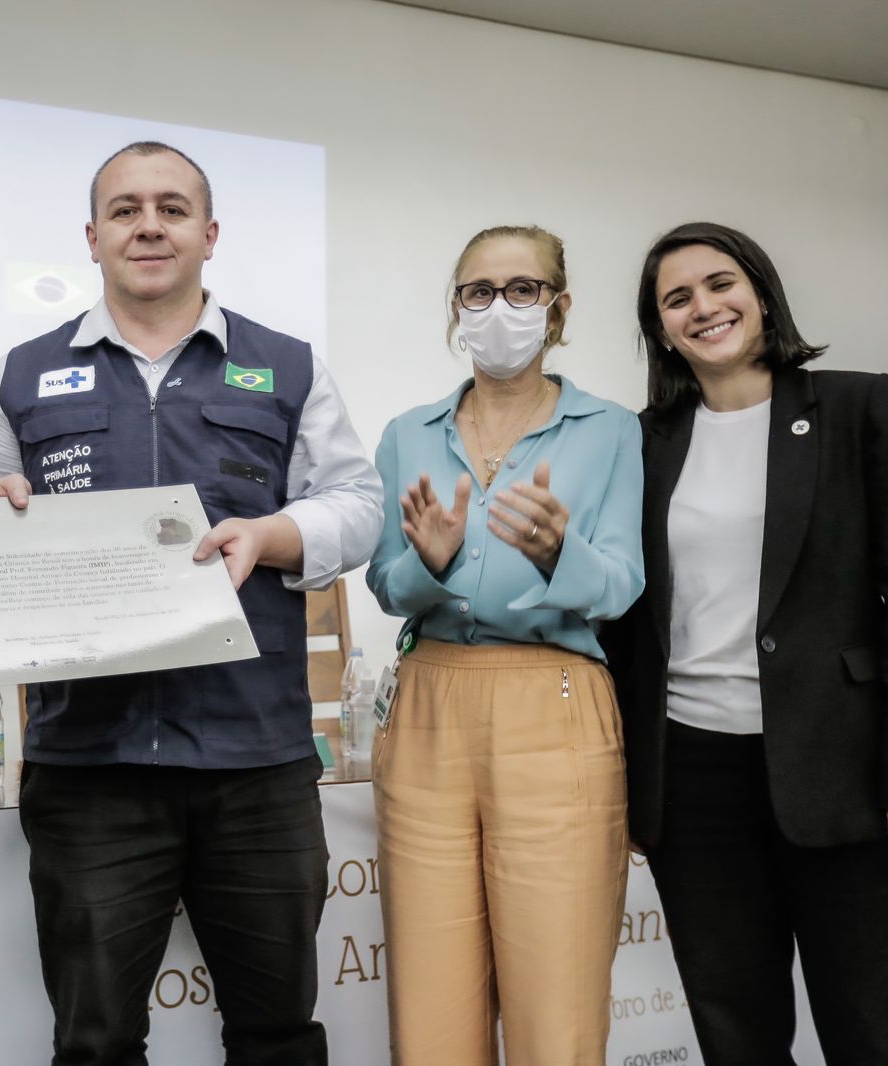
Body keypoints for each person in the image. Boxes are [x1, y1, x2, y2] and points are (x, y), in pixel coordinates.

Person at [0, 140, 383, 1065]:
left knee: (278, 1035)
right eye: (126, 209)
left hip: (256, 762)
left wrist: (272, 535)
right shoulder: (24, 371)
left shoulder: (287, 365)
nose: (149, 226)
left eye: (172, 209)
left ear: (209, 234)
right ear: (91, 236)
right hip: (88, 767)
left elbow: (358, 504)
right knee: (94, 1041)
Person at [608, 221, 888, 1066]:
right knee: (737, 1039)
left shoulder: (858, 407)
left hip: (848, 777)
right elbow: (625, 619)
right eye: (677, 299)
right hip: (694, 786)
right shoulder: (641, 442)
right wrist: (636, 787)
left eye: (720, 284)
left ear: (762, 295)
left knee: (878, 1036)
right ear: (661, 330)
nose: (703, 307)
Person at [366, 225, 644, 1066]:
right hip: (429, 702)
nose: (499, 308)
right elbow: (386, 584)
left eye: (522, 290)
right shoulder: (408, 433)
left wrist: (562, 554)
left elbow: (623, 584)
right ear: (455, 307)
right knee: (431, 1004)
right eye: (478, 291)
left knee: (555, 1005)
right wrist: (430, 562)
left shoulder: (610, 430)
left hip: (553, 699)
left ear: (558, 309)